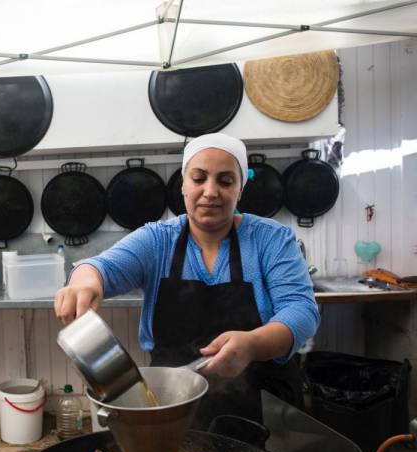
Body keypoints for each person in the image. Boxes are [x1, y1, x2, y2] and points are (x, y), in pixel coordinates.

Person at [54, 132, 319, 429]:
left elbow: (302, 311)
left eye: (225, 181)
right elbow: (100, 267)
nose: (210, 191)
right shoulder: (158, 240)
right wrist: (84, 282)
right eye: (199, 178)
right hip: (173, 407)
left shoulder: (270, 239)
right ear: (183, 185)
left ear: (241, 189)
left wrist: (253, 345)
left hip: (264, 408)